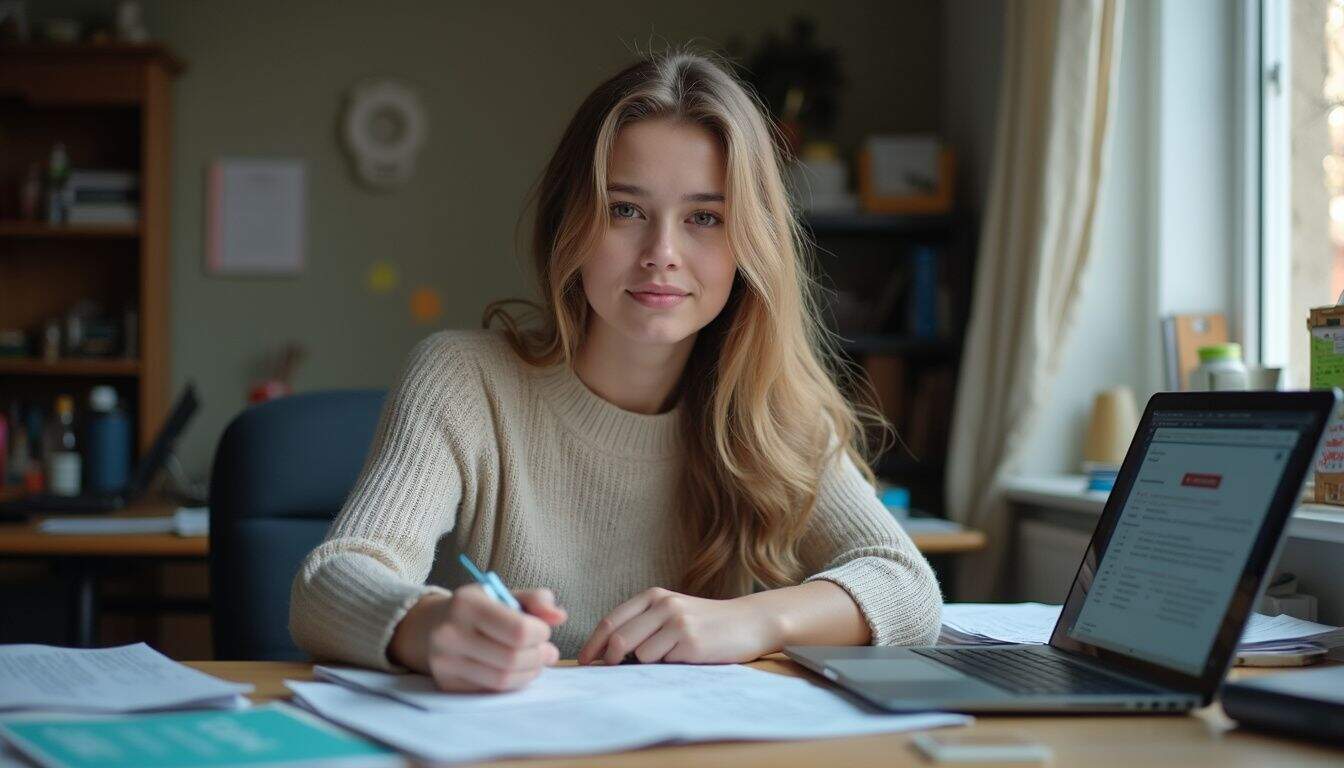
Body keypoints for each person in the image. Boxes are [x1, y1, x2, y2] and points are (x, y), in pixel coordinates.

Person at [290, 50, 942, 693]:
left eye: (704, 218)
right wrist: (430, 626)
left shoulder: (774, 408)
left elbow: (908, 590)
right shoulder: (463, 380)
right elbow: (329, 585)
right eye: (625, 210)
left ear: (751, 243)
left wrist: (752, 621)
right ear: (570, 222)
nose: (662, 254)